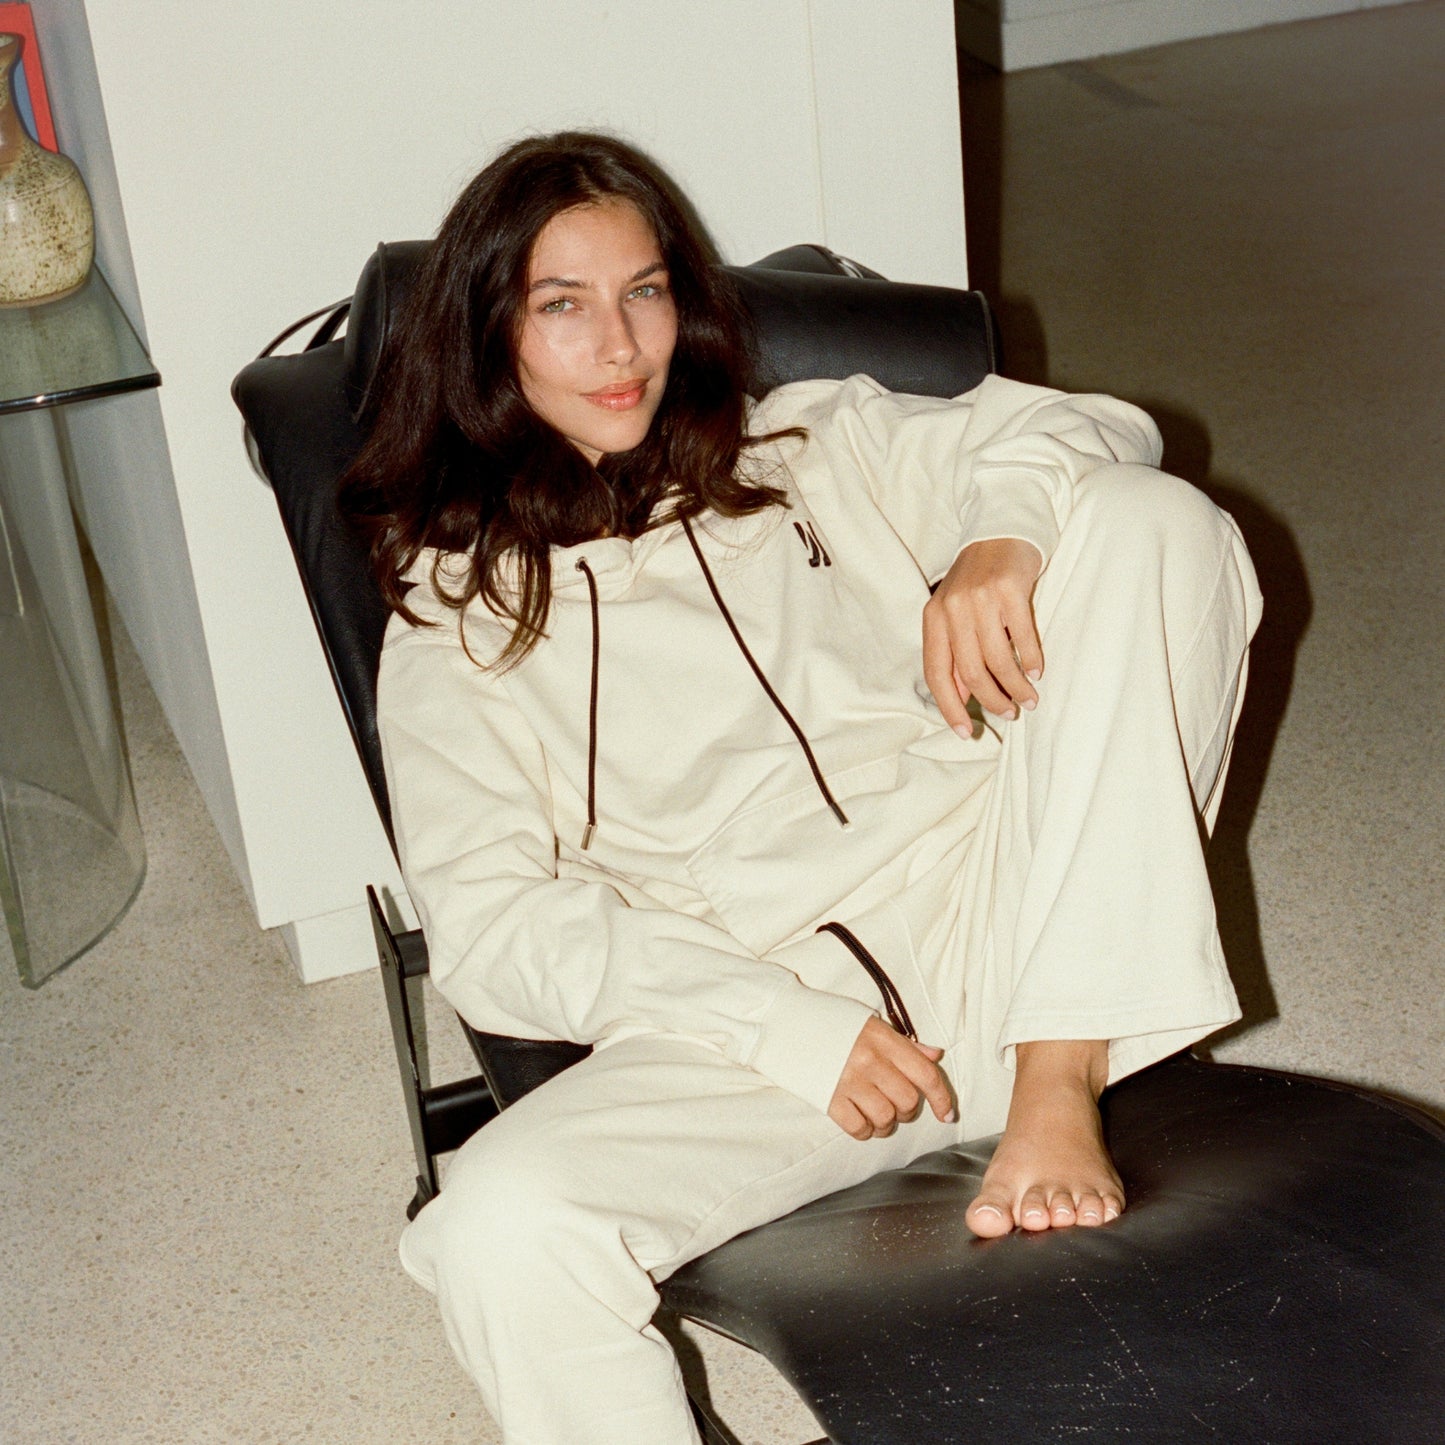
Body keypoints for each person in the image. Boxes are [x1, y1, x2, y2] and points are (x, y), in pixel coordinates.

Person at [341, 130, 1262, 1444]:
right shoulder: (458, 613)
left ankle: (1060, 1077)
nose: (620, 345)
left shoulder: (802, 440)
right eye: (563, 307)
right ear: (490, 339)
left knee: (1148, 523)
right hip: (778, 1024)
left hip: (1016, 902)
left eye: (645, 291)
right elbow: (492, 933)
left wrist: (999, 543)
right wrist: (784, 1027)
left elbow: (1093, 424)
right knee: (496, 1226)